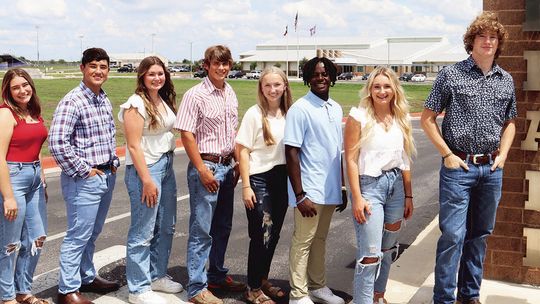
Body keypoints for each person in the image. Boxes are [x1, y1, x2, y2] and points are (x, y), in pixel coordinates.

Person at [420, 12, 516, 304]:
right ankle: (444, 299)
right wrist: (447, 154)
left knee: (480, 235)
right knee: (452, 236)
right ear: (471, 41)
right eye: (482, 36)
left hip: (491, 168)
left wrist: (503, 157)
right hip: (458, 168)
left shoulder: (506, 80)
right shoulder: (451, 74)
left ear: (498, 43)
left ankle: (469, 295)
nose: (487, 41)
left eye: (493, 37)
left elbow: (510, 121)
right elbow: (427, 118)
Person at [175, 45, 246, 304]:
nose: (222, 68)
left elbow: (232, 132)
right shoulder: (195, 95)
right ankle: (196, 287)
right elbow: (186, 134)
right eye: (217, 64)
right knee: (201, 230)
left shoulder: (230, 92)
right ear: (206, 65)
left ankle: (216, 274)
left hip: (227, 166)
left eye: (226, 63)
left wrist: (237, 162)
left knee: (223, 226)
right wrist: (203, 169)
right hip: (207, 166)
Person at [49, 48, 121, 304]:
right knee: (78, 234)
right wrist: (84, 170)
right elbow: (57, 143)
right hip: (85, 179)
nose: (98, 71)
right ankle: (67, 290)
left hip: (105, 174)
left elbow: (106, 136)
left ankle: (87, 276)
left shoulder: (103, 99)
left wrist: (112, 162)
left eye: (103, 67)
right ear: (82, 68)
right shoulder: (73, 100)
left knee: (92, 232)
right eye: (93, 66)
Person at [343, 66, 415, 304]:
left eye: (386, 86)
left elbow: (404, 160)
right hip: (369, 187)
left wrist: (408, 196)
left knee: (387, 251)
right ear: (370, 89)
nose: (382, 91)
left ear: (394, 89)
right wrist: (357, 197)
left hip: (395, 187)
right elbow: (351, 160)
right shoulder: (358, 116)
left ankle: (378, 296)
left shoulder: (400, 117)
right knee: (370, 254)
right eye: (377, 86)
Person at [118, 56, 183, 304]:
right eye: (151, 74)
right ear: (142, 77)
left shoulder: (162, 100)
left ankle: (157, 276)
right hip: (146, 169)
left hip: (166, 165)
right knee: (143, 230)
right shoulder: (136, 104)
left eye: (160, 73)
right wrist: (146, 179)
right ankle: (138, 288)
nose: (157, 78)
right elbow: (133, 146)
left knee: (166, 225)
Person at [285, 57, 347, 304]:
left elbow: (337, 152)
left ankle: (318, 287)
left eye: (324, 74)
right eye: (315, 74)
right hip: (309, 190)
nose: (320, 78)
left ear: (332, 76)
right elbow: (291, 152)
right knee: (303, 241)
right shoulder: (300, 109)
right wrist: (300, 194)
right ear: (307, 78)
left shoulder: (336, 107)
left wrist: (342, 187)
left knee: (320, 240)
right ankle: (298, 294)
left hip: (330, 189)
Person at [236, 66, 292, 304]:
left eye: (277, 84)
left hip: (281, 178)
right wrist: (246, 186)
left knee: (274, 234)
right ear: (261, 87)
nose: (272, 89)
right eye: (267, 85)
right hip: (259, 179)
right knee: (261, 234)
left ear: (285, 86)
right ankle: (252, 288)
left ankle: (262, 279)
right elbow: (242, 150)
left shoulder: (290, 113)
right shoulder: (254, 113)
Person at [0, 69, 49, 304]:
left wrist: (42, 177)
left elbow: (37, 146)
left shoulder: (34, 112)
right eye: (16, 87)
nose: (22, 90)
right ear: (8, 92)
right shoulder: (6, 114)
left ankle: (23, 290)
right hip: (13, 178)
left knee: (37, 237)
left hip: (34, 178)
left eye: (25, 85)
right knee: (10, 243)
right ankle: (6, 296)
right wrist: (8, 196)